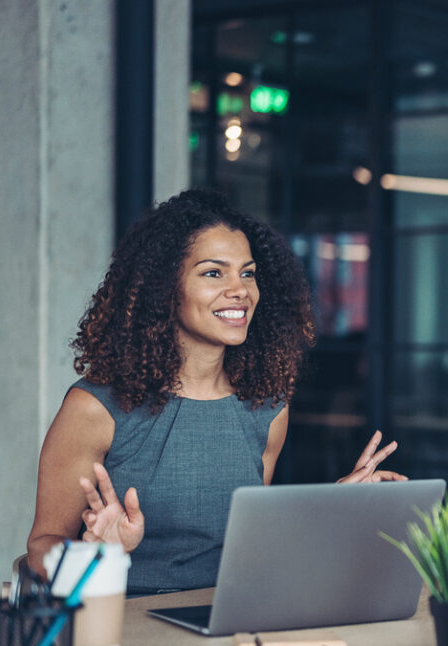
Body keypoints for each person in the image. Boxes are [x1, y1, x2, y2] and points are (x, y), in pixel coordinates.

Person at [25, 188, 403, 595]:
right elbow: (40, 546)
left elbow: (251, 548)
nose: (240, 289)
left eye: (248, 272)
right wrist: (94, 556)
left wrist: (329, 509)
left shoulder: (266, 407)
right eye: (213, 272)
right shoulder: (96, 408)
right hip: (126, 631)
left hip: (229, 622)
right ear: (164, 288)